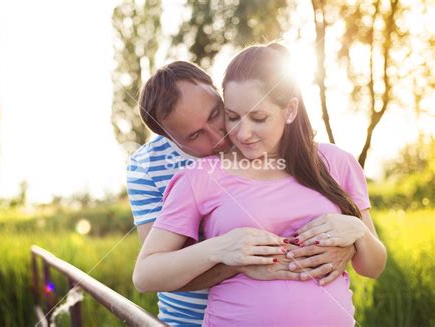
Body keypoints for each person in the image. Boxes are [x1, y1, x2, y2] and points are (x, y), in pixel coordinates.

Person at [132, 43, 387, 326]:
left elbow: (374, 266)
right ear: (174, 142)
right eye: (233, 117)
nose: (239, 133)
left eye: (219, 115)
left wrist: (356, 233)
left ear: (289, 110)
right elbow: (147, 273)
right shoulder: (194, 176)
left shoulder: (337, 162)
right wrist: (225, 250)